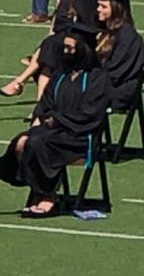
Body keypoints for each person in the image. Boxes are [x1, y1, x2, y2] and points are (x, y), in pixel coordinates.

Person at [0, 23, 110, 218]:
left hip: (80, 136)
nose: (66, 52)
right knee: (22, 141)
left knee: (37, 143)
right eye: (65, 48)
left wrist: (55, 121)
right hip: (55, 130)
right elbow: (45, 105)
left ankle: (46, 196)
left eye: (70, 48)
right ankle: (35, 187)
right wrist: (40, 120)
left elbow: (90, 114)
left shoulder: (97, 78)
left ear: (83, 50)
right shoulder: (61, 75)